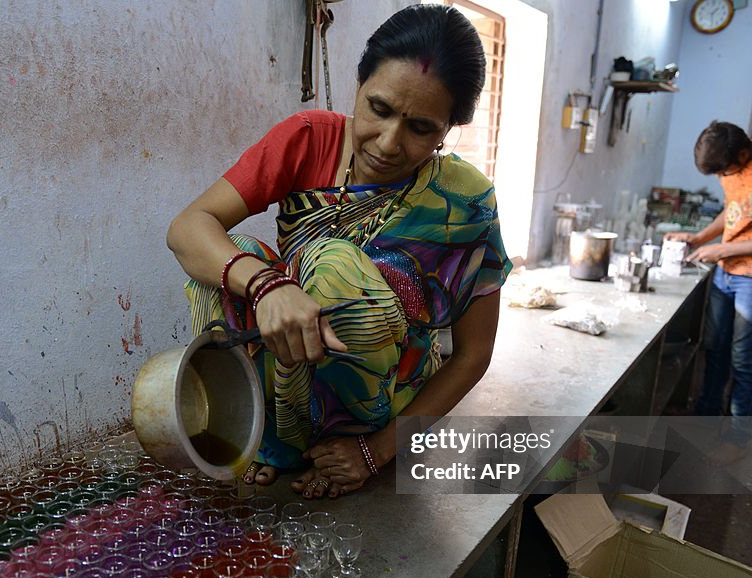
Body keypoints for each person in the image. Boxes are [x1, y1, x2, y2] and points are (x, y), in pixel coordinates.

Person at [167, 5, 512, 497]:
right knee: (234, 256)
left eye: (421, 129)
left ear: (448, 129)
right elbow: (188, 228)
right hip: (290, 369)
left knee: (334, 267)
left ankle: (341, 445)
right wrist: (267, 285)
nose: (388, 144)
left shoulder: (464, 202)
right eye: (379, 109)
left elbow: (474, 353)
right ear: (359, 82)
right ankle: (265, 436)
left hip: (381, 398)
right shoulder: (308, 139)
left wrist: (379, 451)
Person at [665, 121, 752, 464]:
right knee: (715, 348)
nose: (723, 177)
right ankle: (706, 417)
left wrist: (722, 251)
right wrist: (699, 239)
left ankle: (738, 439)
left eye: (724, 170)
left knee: (744, 358)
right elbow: (735, 209)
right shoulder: (730, 161)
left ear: (743, 153)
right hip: (727, 272)